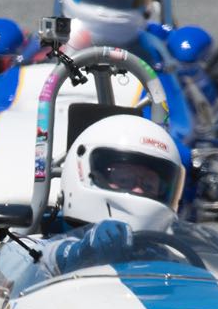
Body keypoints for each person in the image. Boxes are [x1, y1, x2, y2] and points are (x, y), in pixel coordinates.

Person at [49, 114, 185, 273]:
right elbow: (47, 259)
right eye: (124, 179)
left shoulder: (169, 257)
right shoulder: (40, 249)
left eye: (149, 185)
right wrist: (82, 252)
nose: (138, 190)